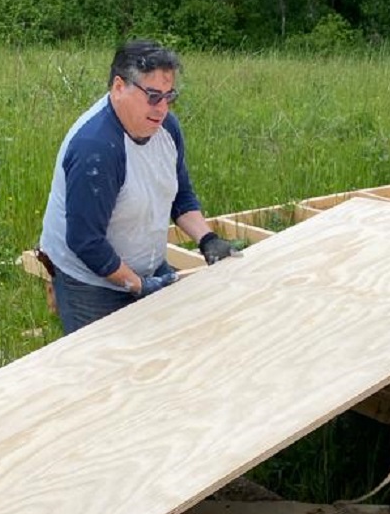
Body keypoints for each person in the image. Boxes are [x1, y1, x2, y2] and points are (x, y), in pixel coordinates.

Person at [38, 40, 239, 334]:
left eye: (169, 96)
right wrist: (137, 285)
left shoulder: (166, 128)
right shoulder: (96, 148)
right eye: (153, 96)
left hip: (144, 264)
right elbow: (86, 241)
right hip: (88, 280)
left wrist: (207, 239)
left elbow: (180, 195)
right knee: (101, 365)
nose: (162, 109)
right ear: (119, 87)